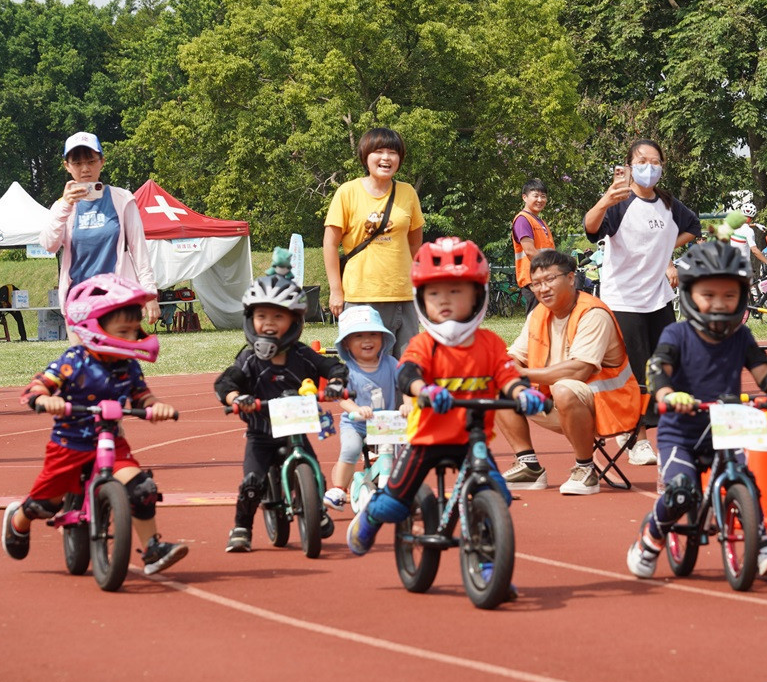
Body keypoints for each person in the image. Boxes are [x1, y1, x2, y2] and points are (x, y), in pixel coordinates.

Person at [345, 237, 547, 562]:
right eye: (435, 293)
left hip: (471, 438)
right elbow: (407, 373)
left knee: (494, 493)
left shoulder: (490, 343)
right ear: (421, 299)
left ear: (477, 295)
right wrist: (424, 390)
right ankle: (369, 516)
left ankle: (487, 567)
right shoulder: (424, 344)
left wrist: (524, 394)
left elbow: (507, 376)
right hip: (427, 438)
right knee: (395, 503)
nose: (444, 300)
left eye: (456, 291)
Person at [0, 273, 188, 576]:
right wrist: (45, 399)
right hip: (70, 443)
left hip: (112, 442)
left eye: (134, 330)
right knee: (45, 505)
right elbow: (40, 385)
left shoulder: (129, 365)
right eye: (123, 331)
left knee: (142, 489)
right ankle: (18, 520)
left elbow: (141, 395)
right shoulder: (74, 360)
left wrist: (155, 407)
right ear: (93, 327)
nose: (131, 338)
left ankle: (152, 549)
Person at [625, 242, 767, 579]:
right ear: (689, 295)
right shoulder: (676, 333)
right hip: (681, 432)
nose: (719, 303)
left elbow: (762, 367)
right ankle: (650, 538)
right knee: (680, 492)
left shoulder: (741, 336)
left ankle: (761, 545)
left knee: (745, 478)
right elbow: (658, 368)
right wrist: (669, 394)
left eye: (729, 296)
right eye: (709, 295)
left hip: (725, 425)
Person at [584, 139, 702, 466]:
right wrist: (606, 199)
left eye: (655, 161)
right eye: (642, 161)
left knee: (665, 365)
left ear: (662, 167)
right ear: (630, 166)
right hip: (624, 299)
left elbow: (693, 227)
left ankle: (658, 430)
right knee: (637, 371)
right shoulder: (620, 203)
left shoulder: (667, 203)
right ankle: (638, 439)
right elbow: (590, 228)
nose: (649, 167)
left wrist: (665, 254)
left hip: (658, 298)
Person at [214, 274, 349, 553]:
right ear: (250, 319)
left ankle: (314, 507)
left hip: (295, 431)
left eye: (278, 316)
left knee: (314, 475)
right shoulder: (249, 357)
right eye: (262, 316)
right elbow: (226, 382)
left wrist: (336, 383)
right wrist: (236, 397)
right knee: (253, 483)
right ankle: (242, 528)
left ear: (294, 321)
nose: (269, 323)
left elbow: (332, 366)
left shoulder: (301, 354)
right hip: (261, 434)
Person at [497, 249, 642, 496]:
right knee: (497, 381)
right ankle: (528, 465)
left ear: (572, 278)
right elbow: (516, 355)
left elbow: (580, 369)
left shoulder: (592, 312)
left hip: (608, 408)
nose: (543, 289)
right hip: (560, 401)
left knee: (564, 387)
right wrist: (504, 368)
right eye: (537, 284)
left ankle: (585, 469)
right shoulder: (538, 313)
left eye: (550, 280)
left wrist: (523, 375)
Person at [39, 132, 160, 339]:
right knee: (86, 368)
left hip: (118, 301)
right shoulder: (62, 207)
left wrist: (150, 294)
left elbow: (139, 251)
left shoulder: (122, 200)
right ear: (67, 166)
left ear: (102, 162)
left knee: (119, 367)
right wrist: (66, 205)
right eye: (76, 163)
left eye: (91, 161)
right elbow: (49, 245)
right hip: (79, 303)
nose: (85, 168)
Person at [322, 127, 425, 355]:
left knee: (407, 366)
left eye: (393, 152)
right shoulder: (347, 192)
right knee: (367, 367)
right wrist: (336, 291)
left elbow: (415, 244)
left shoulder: (408, 193)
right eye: (379, 151)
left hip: (403, 296)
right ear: (365, 156)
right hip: (361, 296)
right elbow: (330, 244)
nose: (386, 158)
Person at [322, 305, 410, 512]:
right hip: (357, 425)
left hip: (385, 423)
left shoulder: (390, 362)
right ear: (347, 343)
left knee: (405, 454)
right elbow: (342, 397)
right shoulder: (346, 369)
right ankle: (339, 489)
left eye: (373, 334)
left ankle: (405, 491)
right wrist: (356, 409)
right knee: (351, 449)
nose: (367, 340)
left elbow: (405, 384)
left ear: (382, 338)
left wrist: (408, 403)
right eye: (359, 336)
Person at [510, 178, 555, 315]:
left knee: (546, 321)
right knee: (535, 323)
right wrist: (552, 268)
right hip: (534, 279)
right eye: (536, 196)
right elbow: (529, 251)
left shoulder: (540, 221)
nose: (540, 200)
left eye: (543, 196)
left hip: (543, 277)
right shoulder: (523, 220)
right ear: (524, 197)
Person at [729, 203, 767, 276]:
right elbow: (754, 250)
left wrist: (756, 225)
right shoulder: (749, 231)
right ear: (751, 218)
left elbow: (743, 224)